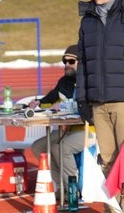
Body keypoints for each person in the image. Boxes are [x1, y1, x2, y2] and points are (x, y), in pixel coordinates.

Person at [76, 0, 124, 213]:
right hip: (98, 100)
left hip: (122, 100)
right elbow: (83, 62)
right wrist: (82, 97)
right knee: (107, 159)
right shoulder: (89, 20)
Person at [29, 44, 90, 192]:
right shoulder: (63, 82)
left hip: (89, 129)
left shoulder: (89, 82)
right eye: (65, 61)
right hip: (68, 129)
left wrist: (63, 107)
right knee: (38, 147)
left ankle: (74, 191)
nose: (67, 65)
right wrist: (37, 104)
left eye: (71, 61)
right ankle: (61, 187)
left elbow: (90, 107)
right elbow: (49, 99)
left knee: (61, 148)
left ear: (81, 63)